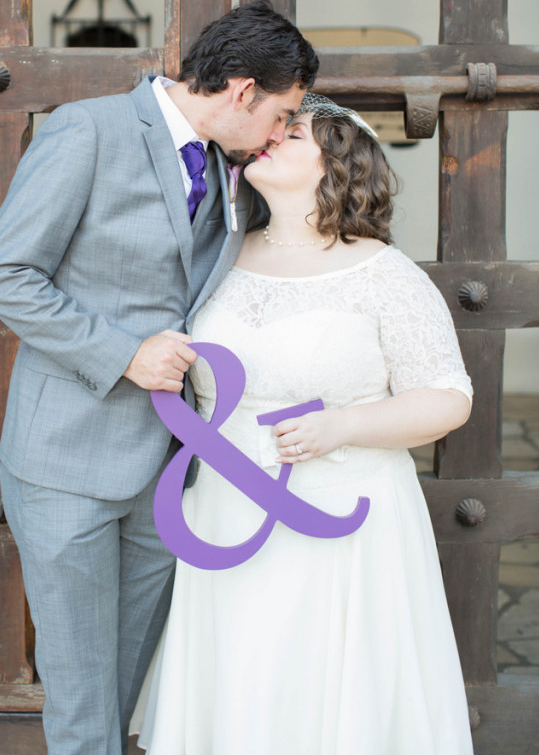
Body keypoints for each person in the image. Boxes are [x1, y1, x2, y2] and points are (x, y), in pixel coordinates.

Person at [0, 0, 319, 755]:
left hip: (167, 472)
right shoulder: (88, 130)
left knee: (122, 688)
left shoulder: (233, 169)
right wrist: (123, 354)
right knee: (80, 695)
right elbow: (4, 276)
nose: (280, 133)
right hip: (67, 459)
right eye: (280, 114)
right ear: (239, 89)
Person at [138, 93, 474, 755]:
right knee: (240, 676)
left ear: (334, 166)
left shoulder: (384, 275)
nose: (270, 136)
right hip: (224, 509)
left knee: (329, 687)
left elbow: (446, 396)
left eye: (292, 134)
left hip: (343, 517)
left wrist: (343, 425)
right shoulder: (217, 258)